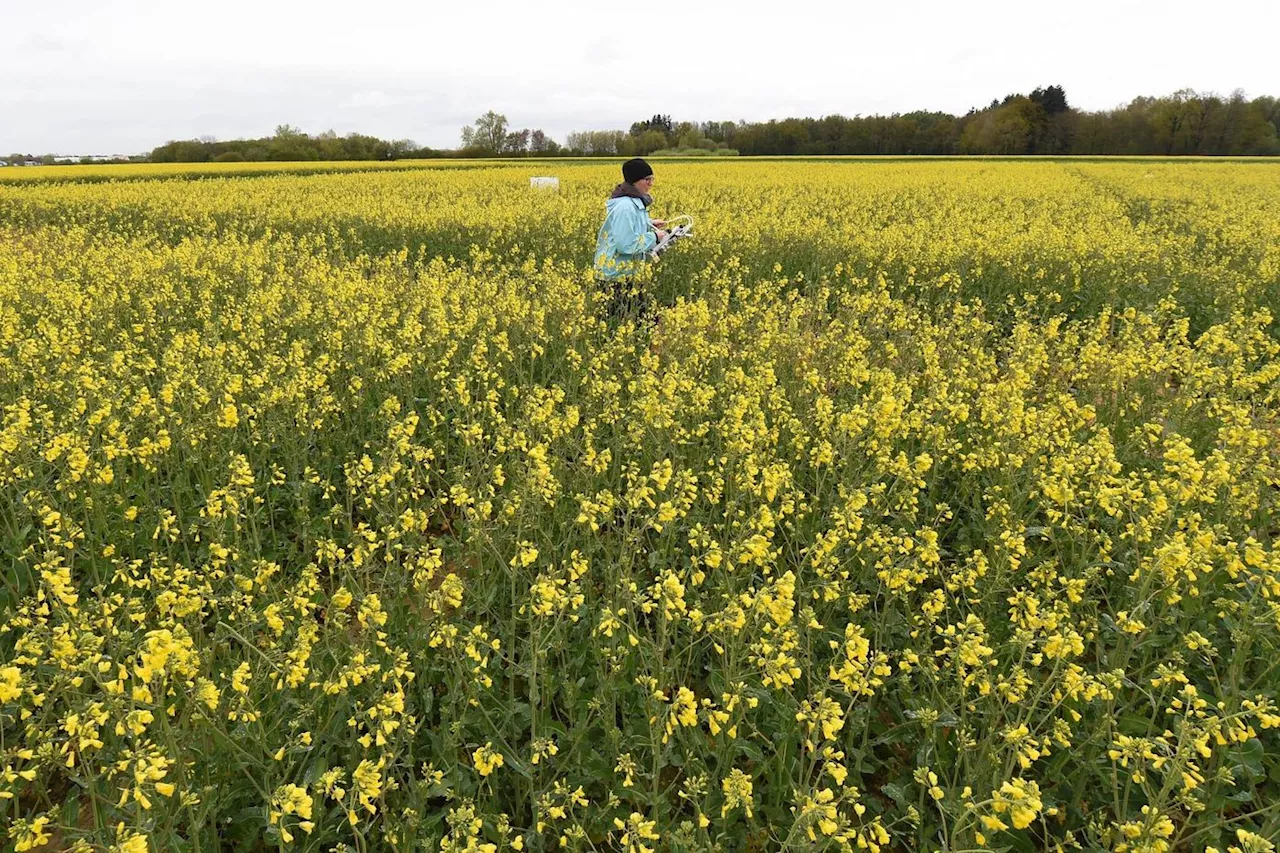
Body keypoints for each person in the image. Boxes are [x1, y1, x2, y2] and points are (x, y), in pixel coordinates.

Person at [593, 158, 668, 324]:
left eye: (652, 179)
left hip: (625, 273)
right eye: (647, 179)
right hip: (615, 276)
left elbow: (630, 229)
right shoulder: (625, 207)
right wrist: (654, 237)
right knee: (617, 322)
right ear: (635, 181)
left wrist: (649, 224)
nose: (651, 183)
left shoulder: (632, 203)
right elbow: (626, 243)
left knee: (638, 319)